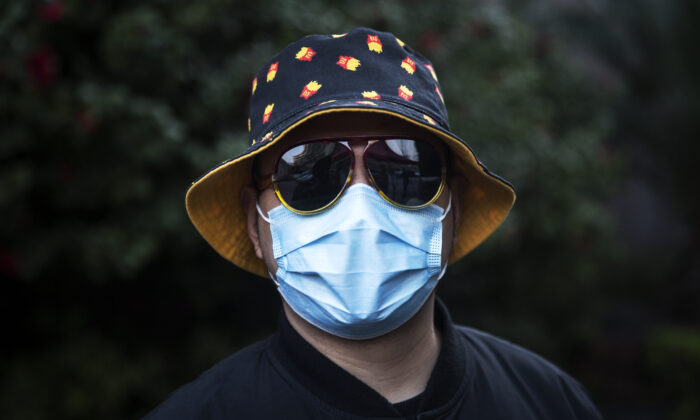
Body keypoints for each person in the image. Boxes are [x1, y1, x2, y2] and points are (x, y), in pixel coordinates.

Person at [144, 27, 603, 419]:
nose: (360, 207)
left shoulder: (549, 402)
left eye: (402, 167)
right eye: (310, 174)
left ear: (454, 208)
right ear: (253, 221)